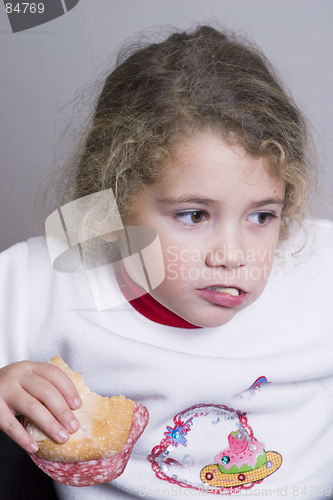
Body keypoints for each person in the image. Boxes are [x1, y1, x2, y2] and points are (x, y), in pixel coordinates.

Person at [0, 25, 333, 500]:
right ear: (111, 207)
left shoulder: (316, 266)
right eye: (194, 215)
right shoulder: (57, 271)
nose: (232, 255)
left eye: (261, 215)